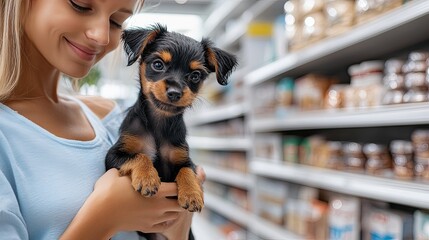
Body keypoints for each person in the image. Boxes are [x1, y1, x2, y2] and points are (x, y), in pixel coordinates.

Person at [0, 0, 205, 239]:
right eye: (80, 5)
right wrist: (105, 217)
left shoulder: (109, 117)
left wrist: (180, 217)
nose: (101, 36)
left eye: (116, 21)